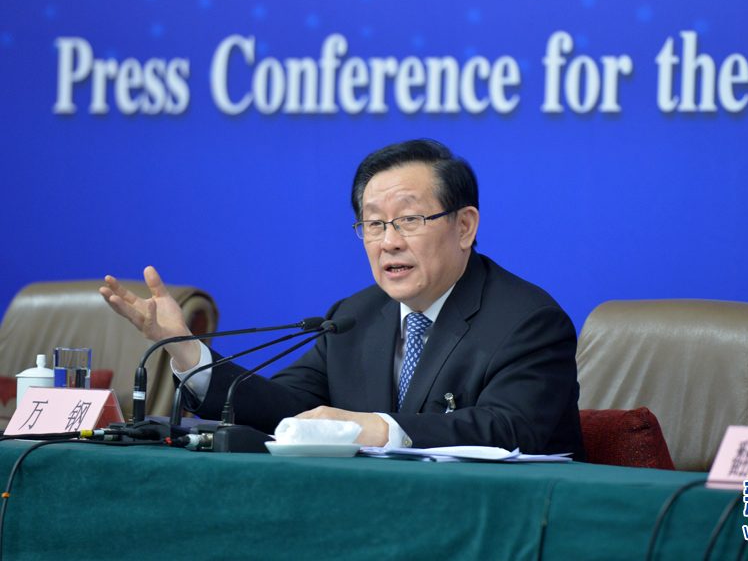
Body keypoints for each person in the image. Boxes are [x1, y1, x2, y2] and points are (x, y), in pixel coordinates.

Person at [101, 139, 585, 460]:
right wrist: (187, 349)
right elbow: (282, 408)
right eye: (373, 224)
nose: (388, 242)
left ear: (464, 226)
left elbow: (509, 429)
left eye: (409, 220)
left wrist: (375, 429)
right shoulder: (355, 316)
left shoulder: (528, 321)